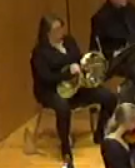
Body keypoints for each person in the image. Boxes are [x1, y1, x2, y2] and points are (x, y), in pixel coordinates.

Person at [31, 15, 118, 159]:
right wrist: (67, 73)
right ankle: (65, 147)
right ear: (47, 32)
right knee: (63, 107)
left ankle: (100, 132)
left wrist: (85, 66)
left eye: (61, 27)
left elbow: (78, 57)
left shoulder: (69, 42)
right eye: (56, 29)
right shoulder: (40, 52)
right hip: (50, 90)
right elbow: (45, 77)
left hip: (76, 87)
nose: (61, 32)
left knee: (108, 97)